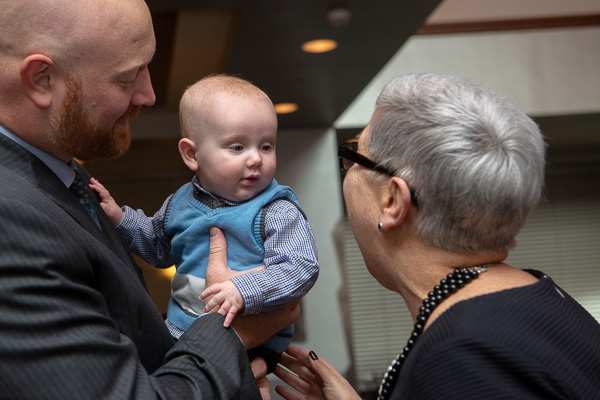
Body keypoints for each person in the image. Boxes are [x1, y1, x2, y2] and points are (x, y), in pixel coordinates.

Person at [0, 0, 297, 398]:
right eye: (127, 78)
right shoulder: (11, 218)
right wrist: (230, 330)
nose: (149, 94)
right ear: (41, 79)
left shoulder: (67, 177)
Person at [273, 73, 600, 399]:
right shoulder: (536, 295)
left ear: (391, 201)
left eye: (355, 154)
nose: (348, 170)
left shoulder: (463, 355)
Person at [91, 74, 319, 372]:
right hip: (181, 329)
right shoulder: (180, 202)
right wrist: (119, 218)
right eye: (237, 148)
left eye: (266, 146)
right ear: (192, 154)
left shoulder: (275, 209)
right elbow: (159, 246)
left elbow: (301, 266)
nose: (255, 159)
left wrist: (242, 290)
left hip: (254, 334)